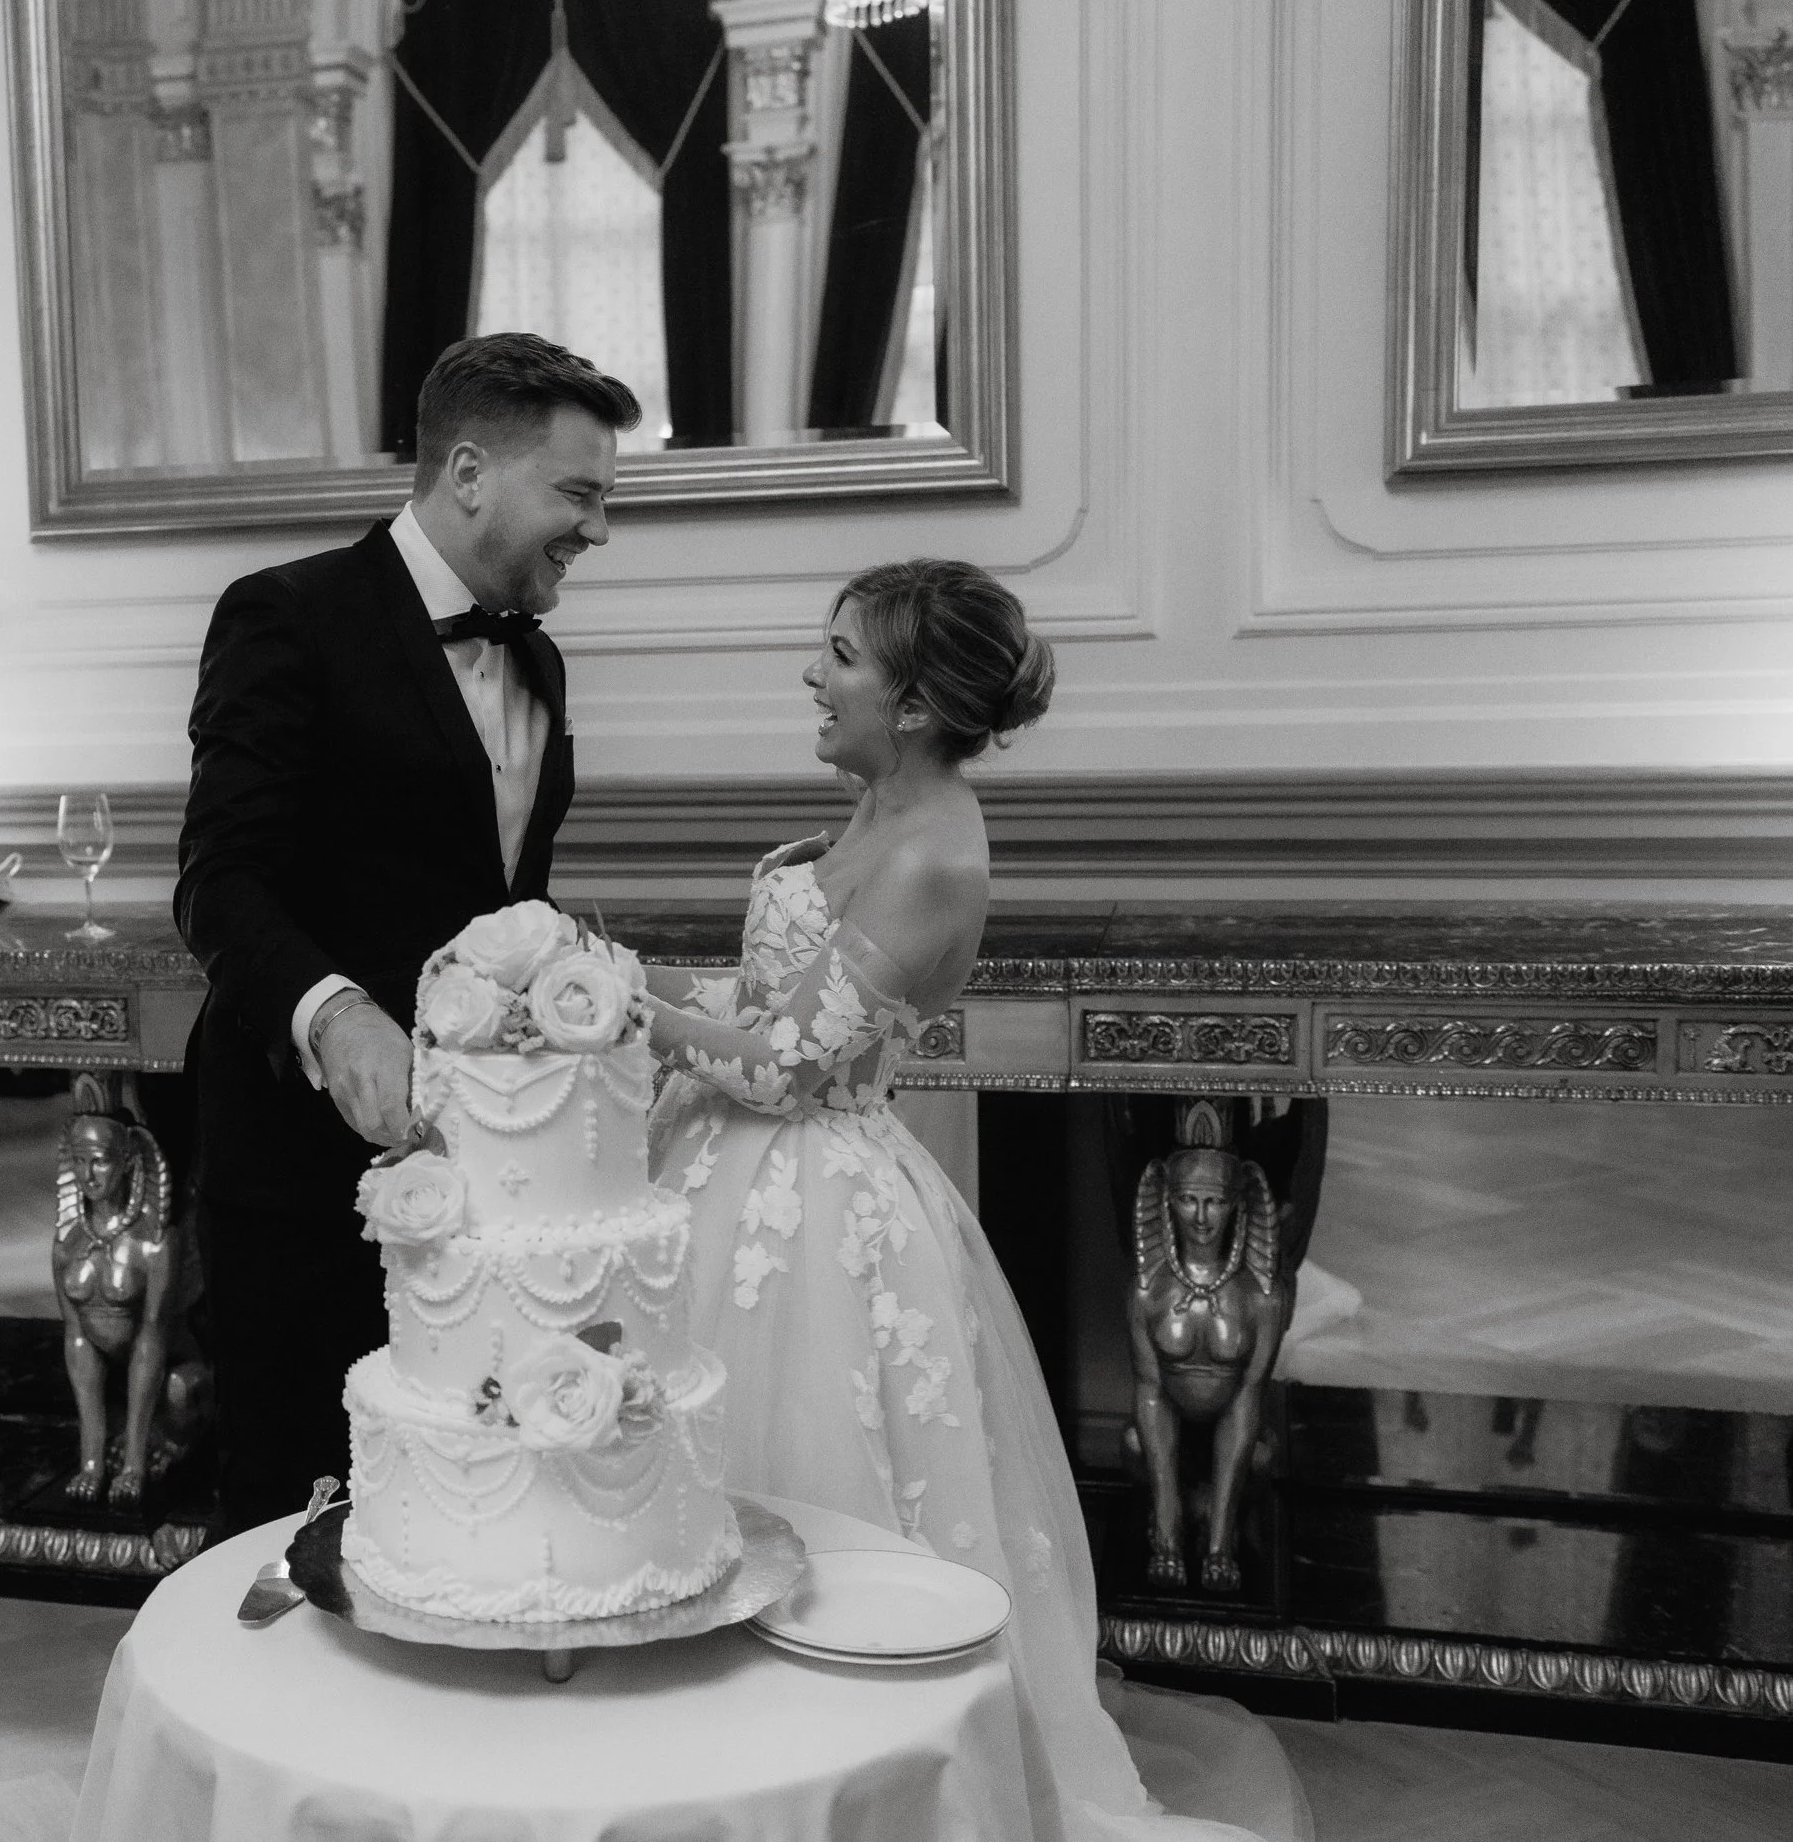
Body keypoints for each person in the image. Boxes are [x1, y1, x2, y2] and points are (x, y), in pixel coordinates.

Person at [639, 558, 1309, 1842]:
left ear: (910, 701)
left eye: (838, 653)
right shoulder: (875, 808)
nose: (811, 673)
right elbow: (777, 1009)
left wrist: (634, 1014)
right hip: (733, 1183)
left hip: (820, 1212)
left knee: (823, 1494)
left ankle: (849, 1793)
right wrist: (665, 995)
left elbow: (790, 1070)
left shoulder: (937, 850)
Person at [175, 333, 641, 1533]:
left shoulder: (536, 662)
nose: (597, 528)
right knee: (295, 1494)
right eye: (579, 494)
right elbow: (220, 881)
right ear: (472, 472)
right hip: (298, 1157)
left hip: (486, 1160)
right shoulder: (287, 615)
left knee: (459, 1491)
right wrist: (334, 1014)